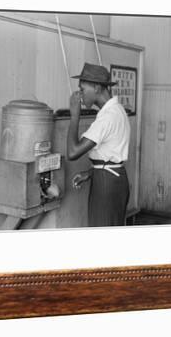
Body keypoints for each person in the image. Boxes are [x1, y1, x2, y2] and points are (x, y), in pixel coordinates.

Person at [66, 63, 131, 227]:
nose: (80, 95)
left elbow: (73, 152)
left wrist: (74, 115)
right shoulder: (117, 110)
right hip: (113, 177)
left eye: (82, 89)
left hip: (107, 185)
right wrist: (91, 173)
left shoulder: (108, 117)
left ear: (96, 87)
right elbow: (110, 156)